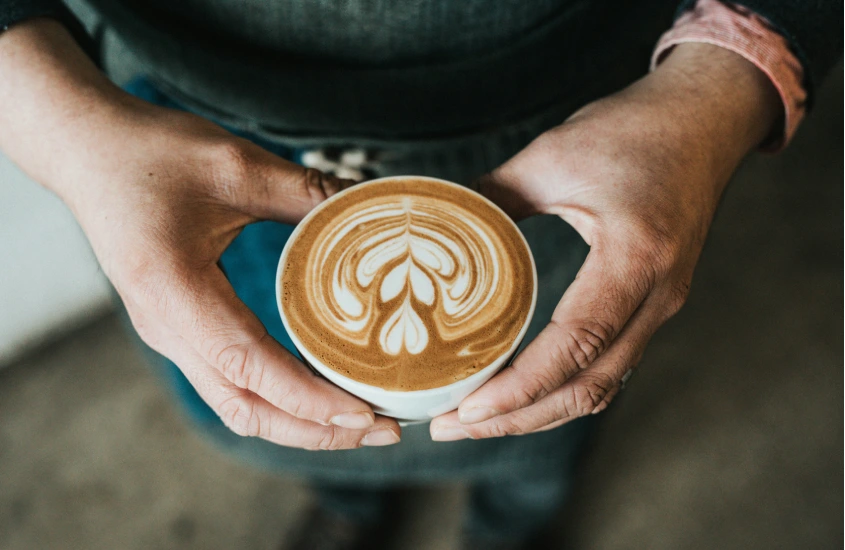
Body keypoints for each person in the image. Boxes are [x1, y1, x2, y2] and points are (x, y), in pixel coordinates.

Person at [0, 1, 840, 548]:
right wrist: (57, 122)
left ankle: (514, 525)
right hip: (176, 131)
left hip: (569, 125)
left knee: (550, 396)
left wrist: (724, 80)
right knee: (276, 391)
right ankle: (355, 505)